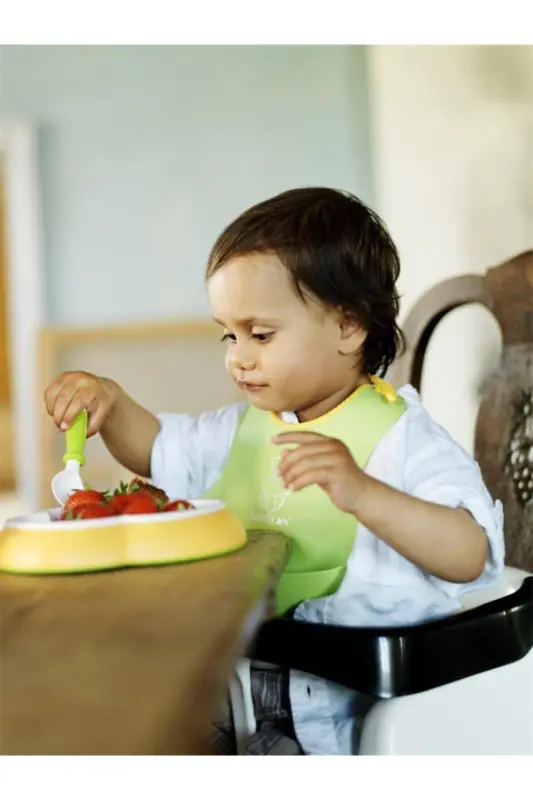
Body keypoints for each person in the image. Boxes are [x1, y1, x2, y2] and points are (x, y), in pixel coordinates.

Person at [44, 188, 504, 756]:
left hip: (342, 725)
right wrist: (111, 403)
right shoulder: (245, 429)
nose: (239, 355)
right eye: (228, 335)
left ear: (349, 326)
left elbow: (471, 553)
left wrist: (362, 493)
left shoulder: (405, 440)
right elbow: (159, 448)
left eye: (260, 334)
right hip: (232, 695)